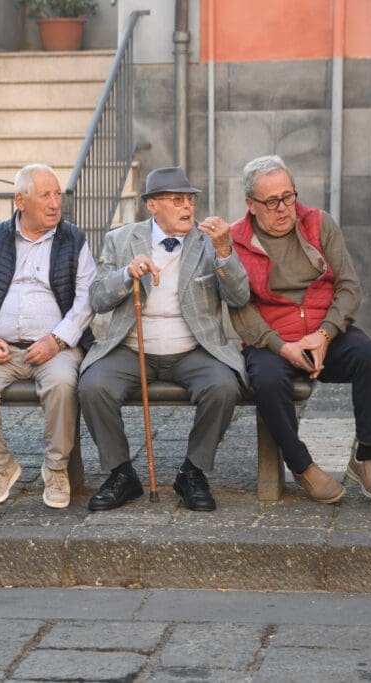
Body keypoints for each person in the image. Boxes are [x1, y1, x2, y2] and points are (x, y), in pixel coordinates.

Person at [79, 167, 249, 512]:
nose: (187, 207)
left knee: (224, 387)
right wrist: (126, 275)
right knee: (92, 387)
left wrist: (224, 252)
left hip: (192, 348)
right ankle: (121, 474)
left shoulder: (208, 242)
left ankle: (193, 471)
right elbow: (96, 299)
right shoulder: (122, 239)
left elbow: (239, 296)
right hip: (131, 346)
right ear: (153, 205)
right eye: (177, 200)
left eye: (190, 199)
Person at [228, 155, 371, 504]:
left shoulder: (319, 223)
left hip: (324, 332)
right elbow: (240, 310)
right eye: (272, 202)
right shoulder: (235, 241)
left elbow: (349, 286)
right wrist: (280, 346)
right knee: (268, 381)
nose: (284, 208)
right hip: (272, 342)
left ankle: (364, 455)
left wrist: (325, 333)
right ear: (251, 205)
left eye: (289, 196)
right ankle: (302, 465)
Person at [0, 164, 95, 509]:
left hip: (56, 347)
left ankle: (56, 468)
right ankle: (0, 467)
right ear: (20, 200)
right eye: (45, 195)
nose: (54, 203)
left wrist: (58, 339)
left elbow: (86, 298)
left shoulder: (73, 238)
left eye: (57, 194)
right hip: (0, 348)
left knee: (63, 384)